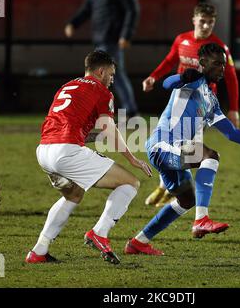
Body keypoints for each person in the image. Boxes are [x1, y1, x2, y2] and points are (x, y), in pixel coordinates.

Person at [124, 43, 240, 255]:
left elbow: (232, 133)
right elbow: (167, 84)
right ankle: (201, 220)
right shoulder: (193, 81)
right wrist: (182, 77)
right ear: (203, 64)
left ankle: (138, 242)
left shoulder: (211, 101)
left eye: (223, 65)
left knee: (186, 200)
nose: (221, 69)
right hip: (162, 145)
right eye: (217, 64)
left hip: (173, 152)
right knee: (210, 156)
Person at [25, 50, 152, 265]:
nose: (112, 80)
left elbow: (78, 126)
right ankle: (99, 233)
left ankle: (39, 250)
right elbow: (108, 128)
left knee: (73, 194)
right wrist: (132, 159)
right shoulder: (102, 92)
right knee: (130, 183)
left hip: (44, 150)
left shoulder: (67, 86)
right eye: (111, 75)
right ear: (101, 71)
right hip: (66, 151)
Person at [143, 3, 240, 208]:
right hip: (178, 100)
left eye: (210, 22)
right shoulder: (182, 39)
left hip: (201, 105)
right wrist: (154, 76)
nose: (206, 26)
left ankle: (172, 189)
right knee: (171, 143)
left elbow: (231, 78)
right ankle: (167, 187)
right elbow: (170, 60)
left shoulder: (219, 48)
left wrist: (234, 109)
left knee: (188, 148)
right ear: (194, 20)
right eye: (202, 21)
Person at [64, 0, 140, 117]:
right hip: (100, 38)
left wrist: (125, 35)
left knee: (107, 75)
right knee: (110, 76)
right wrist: (73, 23)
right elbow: (87, 9)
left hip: (112, 38)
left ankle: (125, 111)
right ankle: (128, 110)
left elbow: (132, 10)